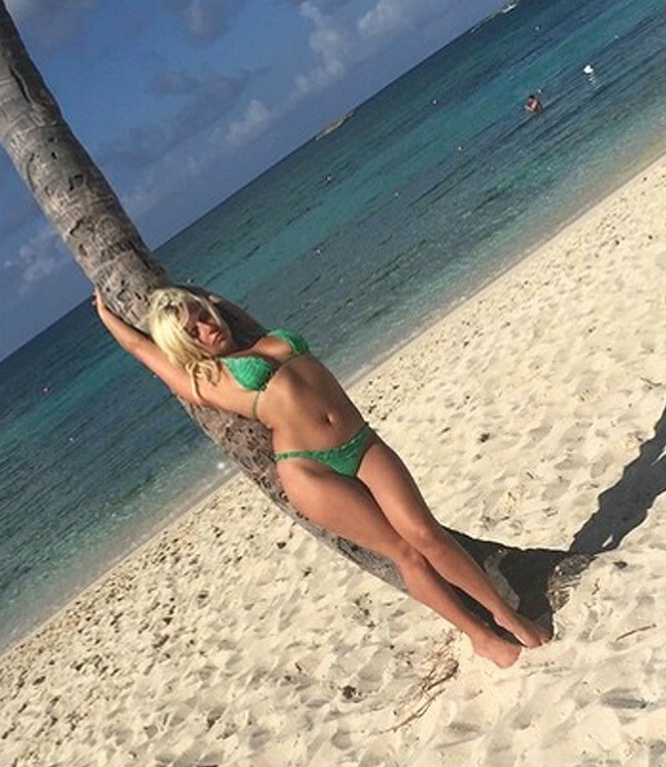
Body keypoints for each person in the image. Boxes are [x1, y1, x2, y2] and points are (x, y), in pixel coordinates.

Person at [94, 286, 550, 667]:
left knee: (426, 533)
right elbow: (141, 349)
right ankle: (481, 636)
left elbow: (215, 302)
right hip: (308, 468)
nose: (207, 327)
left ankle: (504, 615)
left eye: (202, 316)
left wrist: (188, 295)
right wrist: (106, 314)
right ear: (184, 346)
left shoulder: (251, 336)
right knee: (406, 553)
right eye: (192, 331)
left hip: (362, 443)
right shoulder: (206, 379)